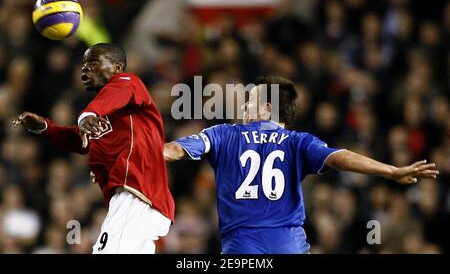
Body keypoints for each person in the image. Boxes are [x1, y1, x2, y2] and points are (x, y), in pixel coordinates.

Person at [164, 76, 438, 254]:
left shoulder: (223, 134)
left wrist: (134, 154)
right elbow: (339, 157)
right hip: (289, 244)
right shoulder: (298, 141)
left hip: (242, 245)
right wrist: (390, 170)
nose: (243, 108)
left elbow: (175, 150)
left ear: (266, 107)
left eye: (249, 102)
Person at [13, 43, 175, 254]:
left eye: (94, 62)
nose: (85, 68)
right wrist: (44, 128)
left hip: (139, 195)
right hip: (130, 200)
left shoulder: (128, 83)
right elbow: (78, 140)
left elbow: (114, 95)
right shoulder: (105, 113)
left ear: (116, 68)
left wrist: (87, 115)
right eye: (83, 63)